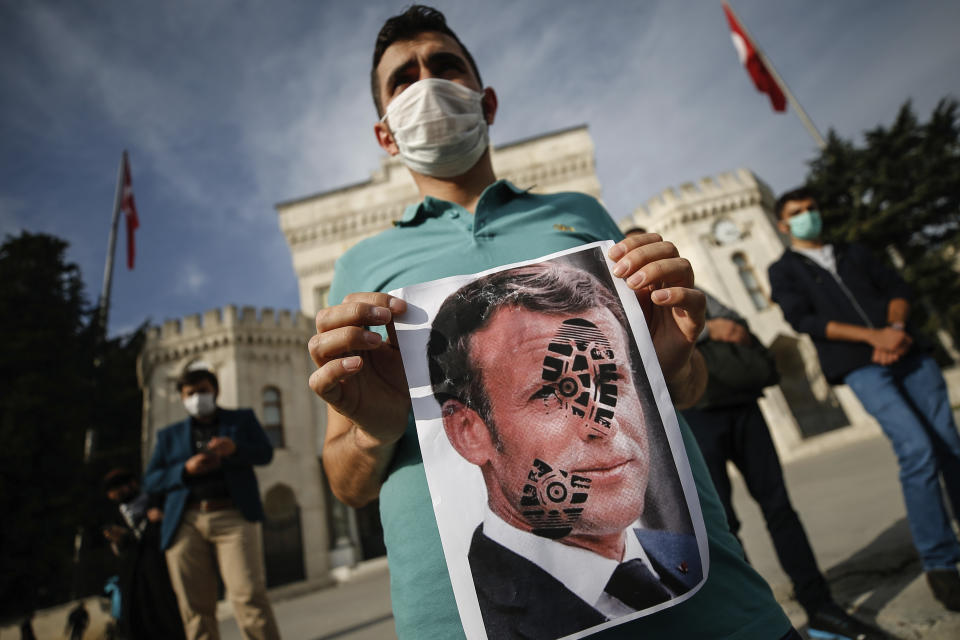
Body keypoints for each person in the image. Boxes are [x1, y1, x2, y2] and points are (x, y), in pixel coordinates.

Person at [309, 5, 800, 638]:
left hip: (708, 605)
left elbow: (681, 389)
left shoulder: (580, 214)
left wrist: (674, 358)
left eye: (445, 65)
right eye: (404, 78)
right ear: (385, 134)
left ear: (486, 101)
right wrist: (373, 433)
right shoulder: (360, 266)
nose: (427, 83)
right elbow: (345, 481)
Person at [428, 261, 702, 637]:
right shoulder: (472, 616)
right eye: (550, 393)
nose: (601, 422)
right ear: (469, 432)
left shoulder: (683, 552)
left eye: (612, 380)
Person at [768, 186, 960, 612]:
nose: (808, 217)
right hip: (861, 365)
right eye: (797, 213)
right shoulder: (784, 270)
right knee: (917, 449)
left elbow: (897, 288)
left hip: (909, 351)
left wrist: (893, 328)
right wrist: (872, 337)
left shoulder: (853, 252)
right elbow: (804, 319)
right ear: (782, 225)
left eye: (812, 209)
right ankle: (941, 561)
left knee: (950, 444)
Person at [681, 289, 888, 638]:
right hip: (696, 416)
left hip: (742, 402)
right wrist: (707, 330)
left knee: (780, 508)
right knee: (723, 524)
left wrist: (712, 328)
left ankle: (821, 608)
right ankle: (752, 622)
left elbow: (736, 323)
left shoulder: (696, 290)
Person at [144, 368, 280, 640]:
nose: (197, 398)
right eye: (190, 393)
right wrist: (184, 469)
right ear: (182, 398)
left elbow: (265, 453)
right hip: (186, 522)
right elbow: (151, 480)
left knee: (248, 595)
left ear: (215, 391)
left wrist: (235, 450)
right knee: (194, 608)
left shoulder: (240, 420)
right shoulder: (169, 436)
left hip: (233, 515)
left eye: (203, 391)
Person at [102, 468, 185, 640]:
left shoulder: (155, 502)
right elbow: (118, 552)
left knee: (170, 617)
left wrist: (163, 518)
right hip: (134, 579)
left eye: (119, 487)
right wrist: (120, 540)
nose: (116, 493)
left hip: (161, 570)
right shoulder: (115, 516)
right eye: (112, 491)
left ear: (133, 484)